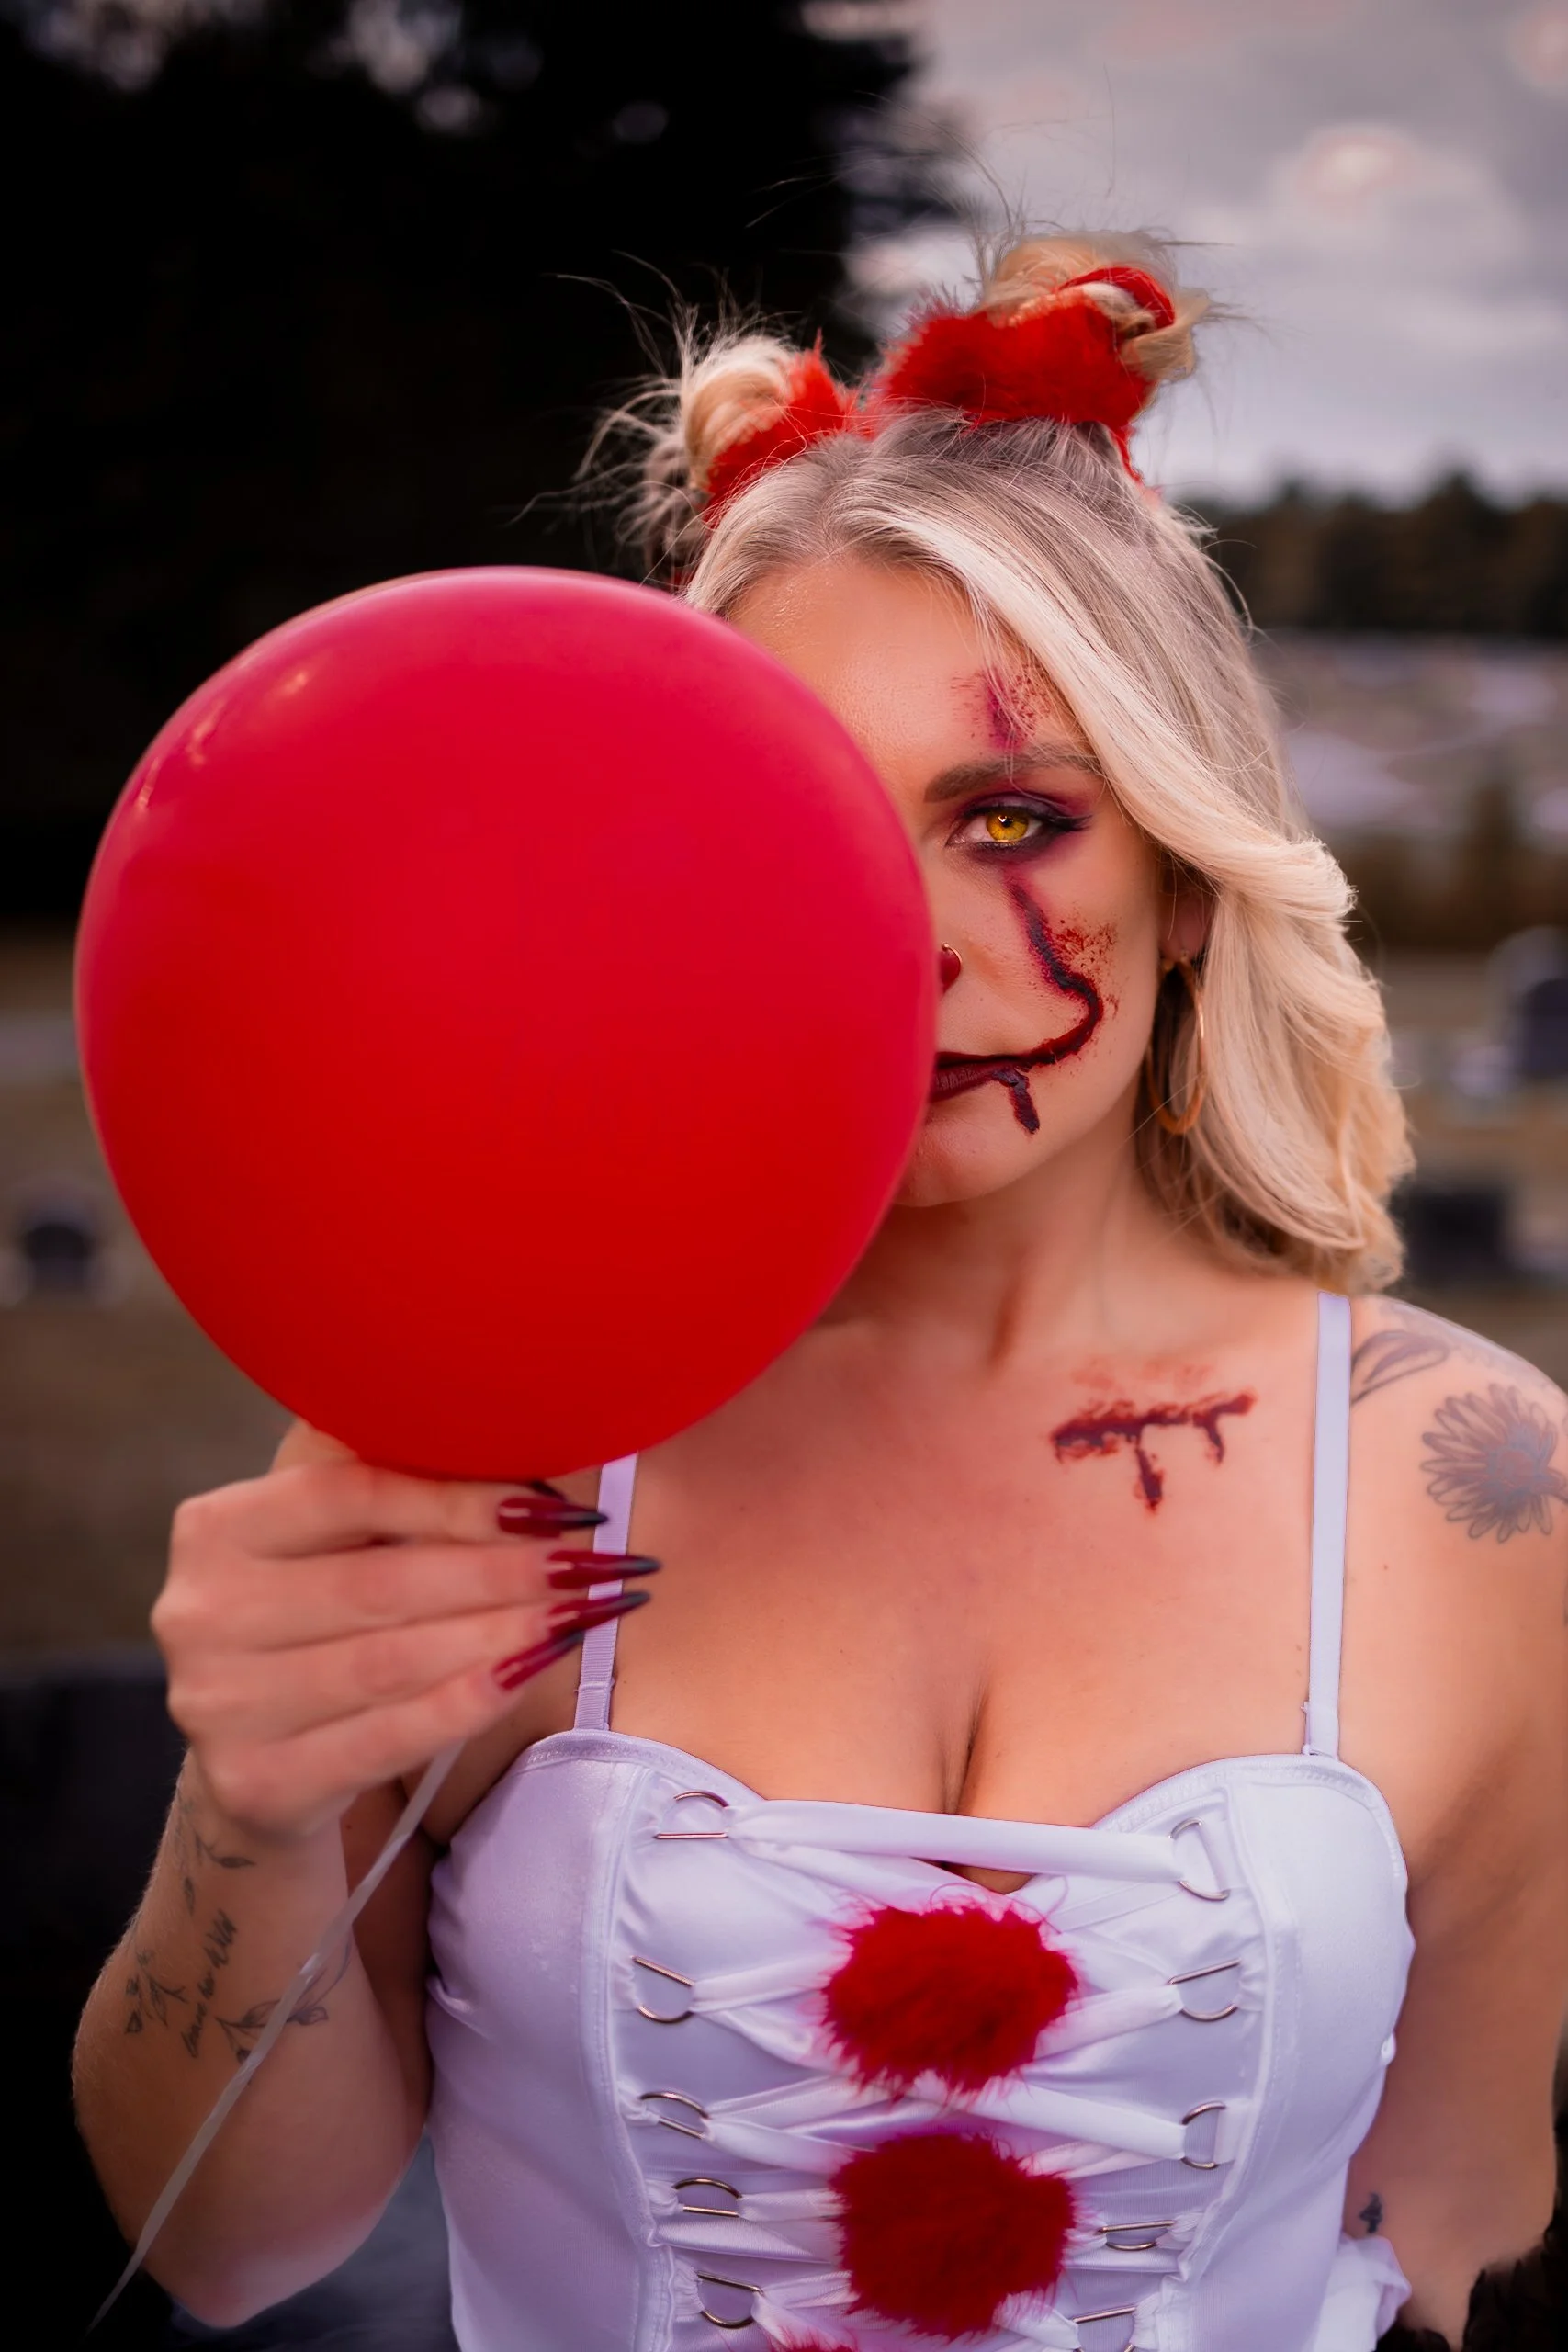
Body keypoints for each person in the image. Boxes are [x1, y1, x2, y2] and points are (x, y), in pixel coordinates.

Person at [73, 234, 1566, 2352]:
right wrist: (247, 1807)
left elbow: (1468, 2246)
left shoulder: (1468, 1488)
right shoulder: (506, 1419)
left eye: (1015, 817)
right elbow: (222, 2244)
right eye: (811, 824)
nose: (909, 940)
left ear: (1186, 854)